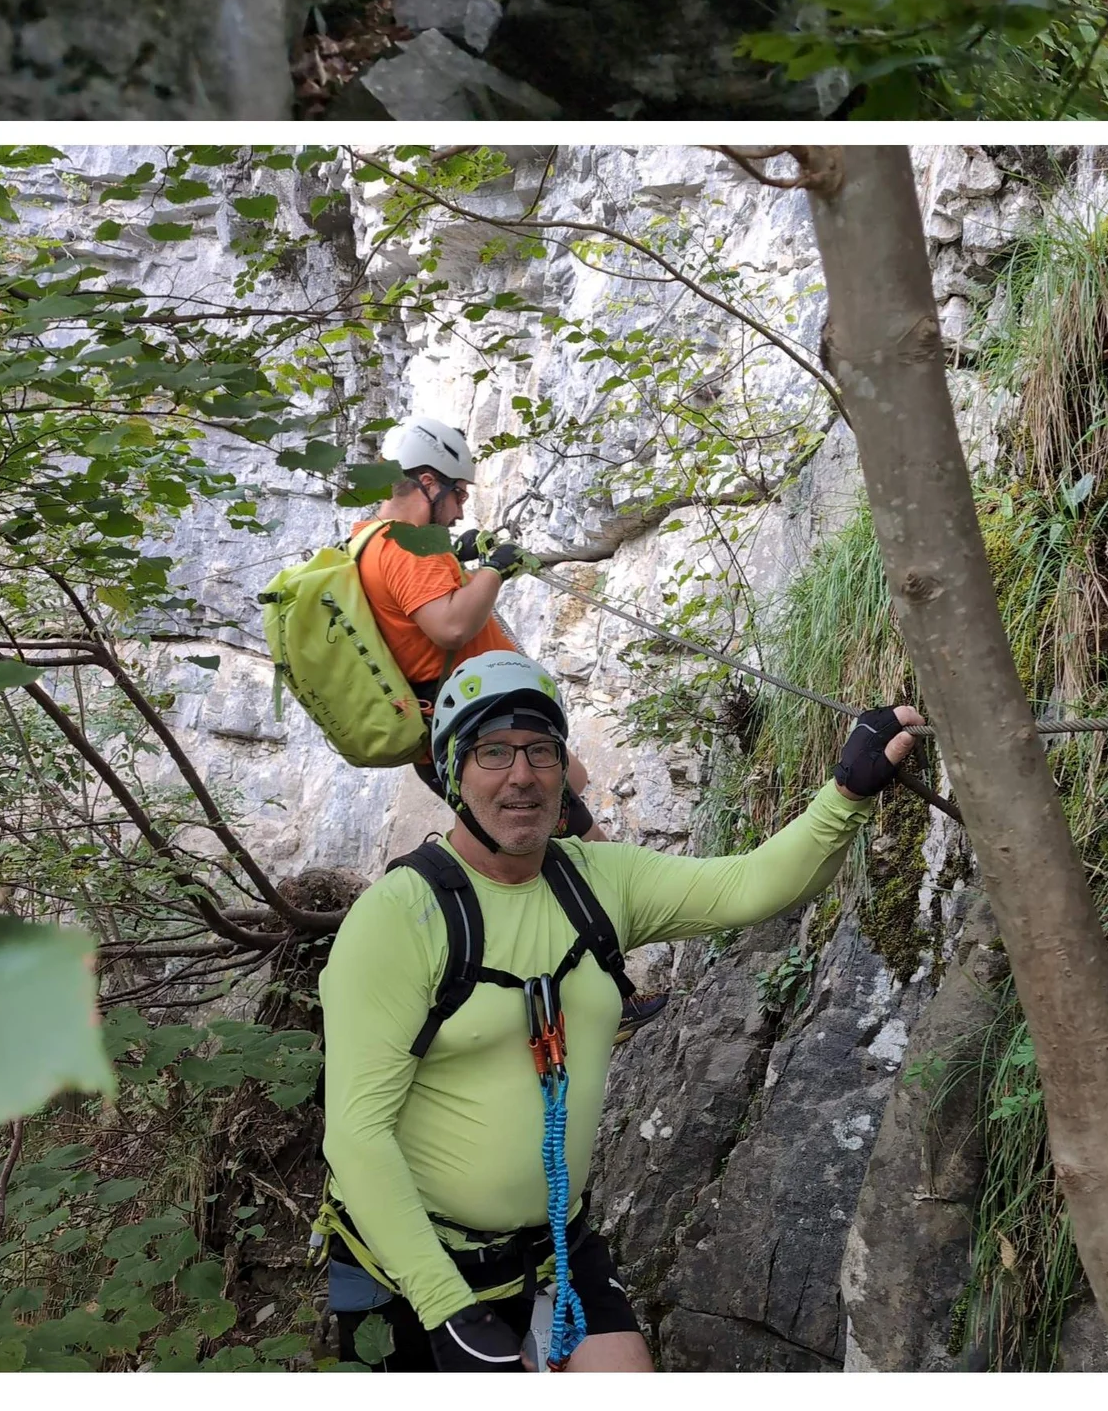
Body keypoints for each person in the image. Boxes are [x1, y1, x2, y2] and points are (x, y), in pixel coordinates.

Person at [317, 649, 927, 1371]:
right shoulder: (398, 919)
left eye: (542, 751)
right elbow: (357, 1136)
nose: (522, 775)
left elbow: (752, 886)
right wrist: (445, 1303)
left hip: (552, 1246)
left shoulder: (598, 882)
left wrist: (847, 793)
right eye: (494, 752)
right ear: (454, 772)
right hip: (408, 1260)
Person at [358, 417, 600, 834]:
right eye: (459, 495)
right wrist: (494, 569)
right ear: (430, 483)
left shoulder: (371, 539)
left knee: (575, 779)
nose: (461, 510)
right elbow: (450, 627)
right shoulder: (407, 545)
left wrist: (455, 559)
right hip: (483, 731)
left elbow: (414, 609)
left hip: (471, 726)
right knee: (588, 850)